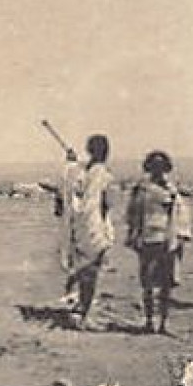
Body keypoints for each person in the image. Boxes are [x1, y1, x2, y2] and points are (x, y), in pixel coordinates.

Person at [125, 150, 192, 335]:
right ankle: (148, 321)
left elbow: (180, 215)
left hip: (166, 240)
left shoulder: (171, 190)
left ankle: (163, 323)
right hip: (147, 239)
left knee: (166, 284)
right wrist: (134, 235)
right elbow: (132, 214)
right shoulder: (141, 189)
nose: (157, 169)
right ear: (148, 167)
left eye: (161, 166)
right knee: (147, 284)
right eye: (154, 165)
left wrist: (179, 238)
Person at [56, 134, 115, 329]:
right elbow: (107, 204)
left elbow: (71, 182)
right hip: (94, 226)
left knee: (84, 270)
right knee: (91, 272)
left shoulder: (80, 172)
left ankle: (81, 309)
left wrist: (71, 163)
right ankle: (84, 316)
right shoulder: (103, 174)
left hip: (78, 226)